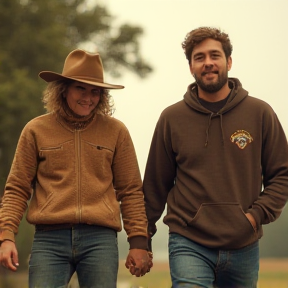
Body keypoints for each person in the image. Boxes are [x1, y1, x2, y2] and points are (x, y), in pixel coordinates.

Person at [143, 26, 288, 288]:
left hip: (244, 242)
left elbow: (282, 175)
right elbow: (155, 184)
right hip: (188, 239)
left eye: (215, 56)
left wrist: (255, 216)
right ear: (191, 67)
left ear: (229, 61)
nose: (208, 63)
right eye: (199, 57)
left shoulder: (260, 113)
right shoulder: (171, 118)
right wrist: (141, 238)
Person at [0, 49, 153, 287]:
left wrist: (138, 242)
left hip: (100, 239)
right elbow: (17, 189)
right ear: (63, 89)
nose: (88, 97)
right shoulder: (35, 130)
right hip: (49, 239)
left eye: (95, 91)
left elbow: (130, 190)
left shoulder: (116, 131)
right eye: (80, 88)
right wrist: (6, 236)